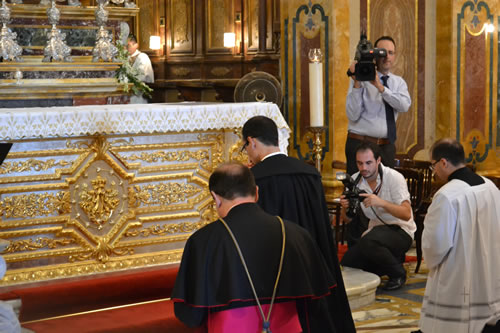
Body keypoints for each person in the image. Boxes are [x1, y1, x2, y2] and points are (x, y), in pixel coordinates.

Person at [172, 162, 340, 332]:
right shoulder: (296, 234)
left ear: (215, 197)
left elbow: (191, 315)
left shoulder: (202, 241)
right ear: (257, 192)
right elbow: (316, 304)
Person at [242, 116, 356, 333]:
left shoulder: (255, 179)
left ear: (252, 141)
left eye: (245, 147)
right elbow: (322, 223)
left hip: (280, 267)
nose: (247, 152)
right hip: (314, 260)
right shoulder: (309, 172)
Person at [414, 139, 500, 333]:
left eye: (433, 165)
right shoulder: (490, 186)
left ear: (443, 162)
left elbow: (435, 244)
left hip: (459, 275)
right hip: (490, 269)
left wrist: (430, 258)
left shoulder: (447, 195)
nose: (433, 170)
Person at [340, 141, 415, 290]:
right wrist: (345, 208)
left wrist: (381, 203)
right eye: (359, 163)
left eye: (368, 163)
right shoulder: (355, 180)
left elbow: (406, 214)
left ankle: (398, 274)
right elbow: (348, 219)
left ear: (378, 160)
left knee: (369, 242)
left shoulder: (394, 177)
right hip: (375, 232)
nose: (364, 168)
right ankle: (390, 263)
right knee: (348, 262)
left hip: (401, 230)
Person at [345, 35, 411, 175]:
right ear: (374, 55)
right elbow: (353, 115)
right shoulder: (360, 79)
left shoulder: (398, 83)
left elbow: (404, 106)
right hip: (360, 145)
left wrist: (381, 88)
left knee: (386, 189)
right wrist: (357, 83)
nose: (386, 56)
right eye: (382, 52)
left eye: (391, 53)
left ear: (395, 56)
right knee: (357, 191)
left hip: (386, 146)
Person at [126, 35, 154, 104]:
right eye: (125, 46)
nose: (126, 48)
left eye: (128, 46)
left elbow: (141, 76)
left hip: (140, 94)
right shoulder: (125, 58)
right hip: (128, 92)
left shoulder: (143, 57)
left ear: (136, 45)